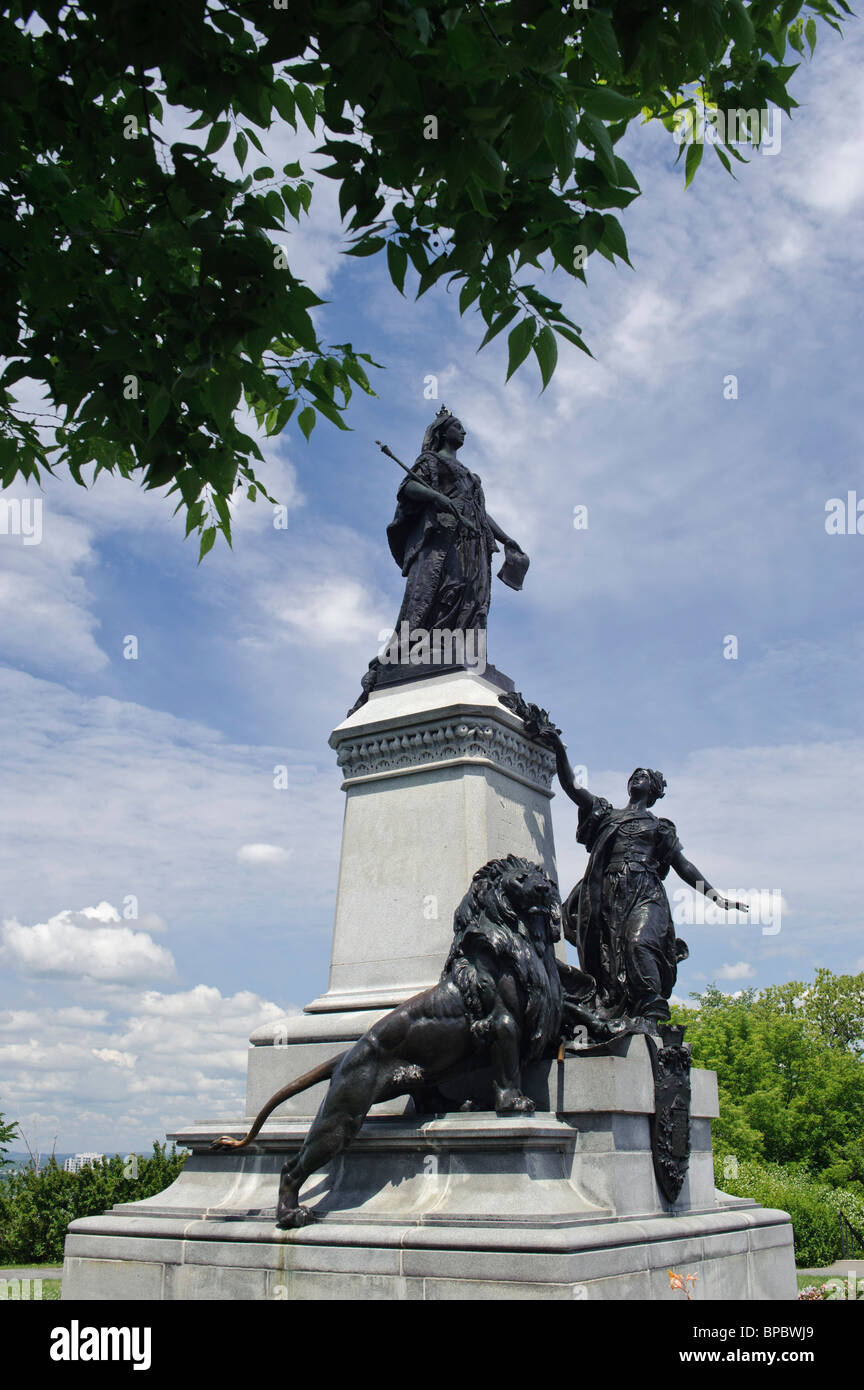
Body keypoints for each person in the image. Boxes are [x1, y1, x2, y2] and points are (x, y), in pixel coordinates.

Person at [538, 730, 748, 1026]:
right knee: (608, 959)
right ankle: (621, 1013)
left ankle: (653, 1015)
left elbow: (683, 866)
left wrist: (716, 897)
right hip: (608, 894)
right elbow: (573, 787)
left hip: (645, 891)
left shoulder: (659, 827)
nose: (637, 777)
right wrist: (558, 747)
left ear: (655, 791)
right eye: (634, 775)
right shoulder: (606, 814)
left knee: (639, 943)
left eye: (644, 776)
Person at [349, 405, 528, 712]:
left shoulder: (470, 476)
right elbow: (409, 488)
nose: (464, 431)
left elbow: (479, 513)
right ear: (443, 431)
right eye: (458, 426)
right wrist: (437, 497)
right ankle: (428, 648)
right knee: (449, 587)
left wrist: (505, 537)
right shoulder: (430, 461)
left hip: (473, 540)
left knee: (474, 598)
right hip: (444, 537)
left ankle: (463, 648)